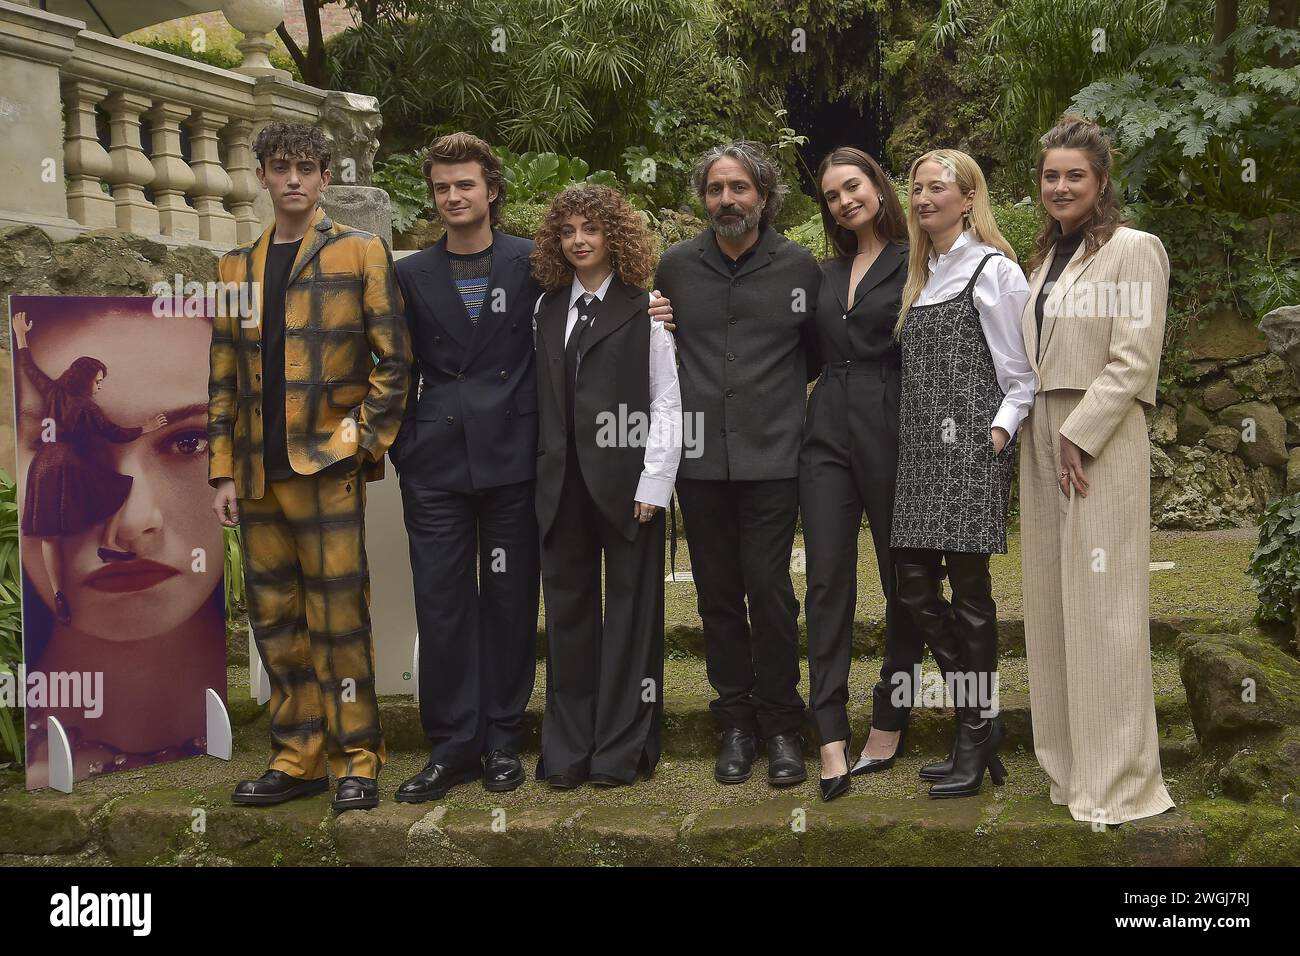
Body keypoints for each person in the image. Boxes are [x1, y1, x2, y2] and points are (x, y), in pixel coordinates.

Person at [389, 133, 674, 802]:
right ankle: (451, 744)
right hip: (436, 464)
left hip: (518, 466)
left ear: (491, 190)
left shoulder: (530, 269)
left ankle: (501, 742)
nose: (454, 196)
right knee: (443, 606)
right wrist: (402, 444)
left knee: (513, 605)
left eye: (466, 184)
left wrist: (659, 308)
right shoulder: (408, 274)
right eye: (442, 187)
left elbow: (616, 321)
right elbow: (394, 364)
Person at [208, 121, 412, 813]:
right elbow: (224, 376)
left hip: (327, 468)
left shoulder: (360, 252)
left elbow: (396, 362)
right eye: (279, 167)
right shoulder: (234, 267)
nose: (292, 179)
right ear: (262, 176)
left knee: (338, 621)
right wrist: (223, 470)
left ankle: (358, 756)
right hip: (258, 474)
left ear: (325, 178)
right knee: (274, 621)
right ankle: (298, 758)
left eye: (305, 167)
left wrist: (360, 440)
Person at [1020, 114, 1176, 825]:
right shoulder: (1042, 259)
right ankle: (1071, 767)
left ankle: (1119, 780)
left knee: (1105, 608)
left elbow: (1135, 358)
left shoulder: (1135, 249)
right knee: (1054, 602)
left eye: (1074, 175)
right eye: (1051, 176)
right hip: (1041, 435)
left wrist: (1081, 434)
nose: (1060, 186)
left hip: (1100, 435)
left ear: (1102, 181)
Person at [800, 148, 967, 802]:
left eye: (853, 186)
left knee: (906, 578)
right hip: (825, 432)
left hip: (895, 424)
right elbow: (794, 349)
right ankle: (831, 735)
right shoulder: (821, 272)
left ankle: (890, 715)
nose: (844, 201)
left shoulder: (918, 257)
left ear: (877, 187)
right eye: (832, 194)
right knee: (826, 581)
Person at [654, 141, 821, 788]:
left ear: (764, 196)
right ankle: (735, 724)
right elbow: (657, 347)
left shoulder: (798, 267)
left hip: (773, 460)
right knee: (718, 598)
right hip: (698, 463)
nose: (727, 199)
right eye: (716, 189)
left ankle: (782, 725)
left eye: (739, 188)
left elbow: (815, 356)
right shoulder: (675, 268)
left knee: (772, 594)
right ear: (705, 198)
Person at [13, 300, 225, 789]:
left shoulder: (79, 403)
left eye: (190, 441)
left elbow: (114, 428)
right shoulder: (68, 401)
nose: (131, 527)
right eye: (50, 439)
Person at [890, 148, 1034, 799]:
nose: (922, 199)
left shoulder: (994, 270)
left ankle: (974, 734)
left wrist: (999, 433)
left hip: (972, 454)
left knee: (972, 600)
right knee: (914, 589)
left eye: (936, 188)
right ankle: (981, 722)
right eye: (916, 188)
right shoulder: (924, 272)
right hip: (921, 458)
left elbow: (1022, 374)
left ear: (969, 197)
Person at [530, 184, 682, 789]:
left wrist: (656, 481)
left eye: (590, 229)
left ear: (613, 236)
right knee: (567, 619)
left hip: (629, 486)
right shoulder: (543, 310)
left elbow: (667, 401)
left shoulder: (646, 308)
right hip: (559, 486)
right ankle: (567, 748)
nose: (578, 241)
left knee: (631, 618)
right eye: (567, 231)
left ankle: (622, 747)